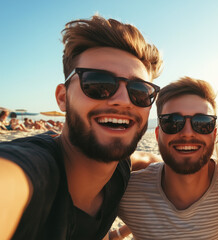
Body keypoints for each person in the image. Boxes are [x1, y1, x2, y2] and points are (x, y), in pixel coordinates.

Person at [0, 15, 162, 240]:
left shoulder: (119, 170)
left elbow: (145, 159)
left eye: (140, 92)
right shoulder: (33, 168)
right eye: (99, 84)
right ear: (63, 97)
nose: (124, 100)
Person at [116, 77, 218, 240]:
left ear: (214, 134)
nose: (187, 132)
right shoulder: (126, 192)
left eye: (202, 123)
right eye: (173, 122)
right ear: (158, 134)